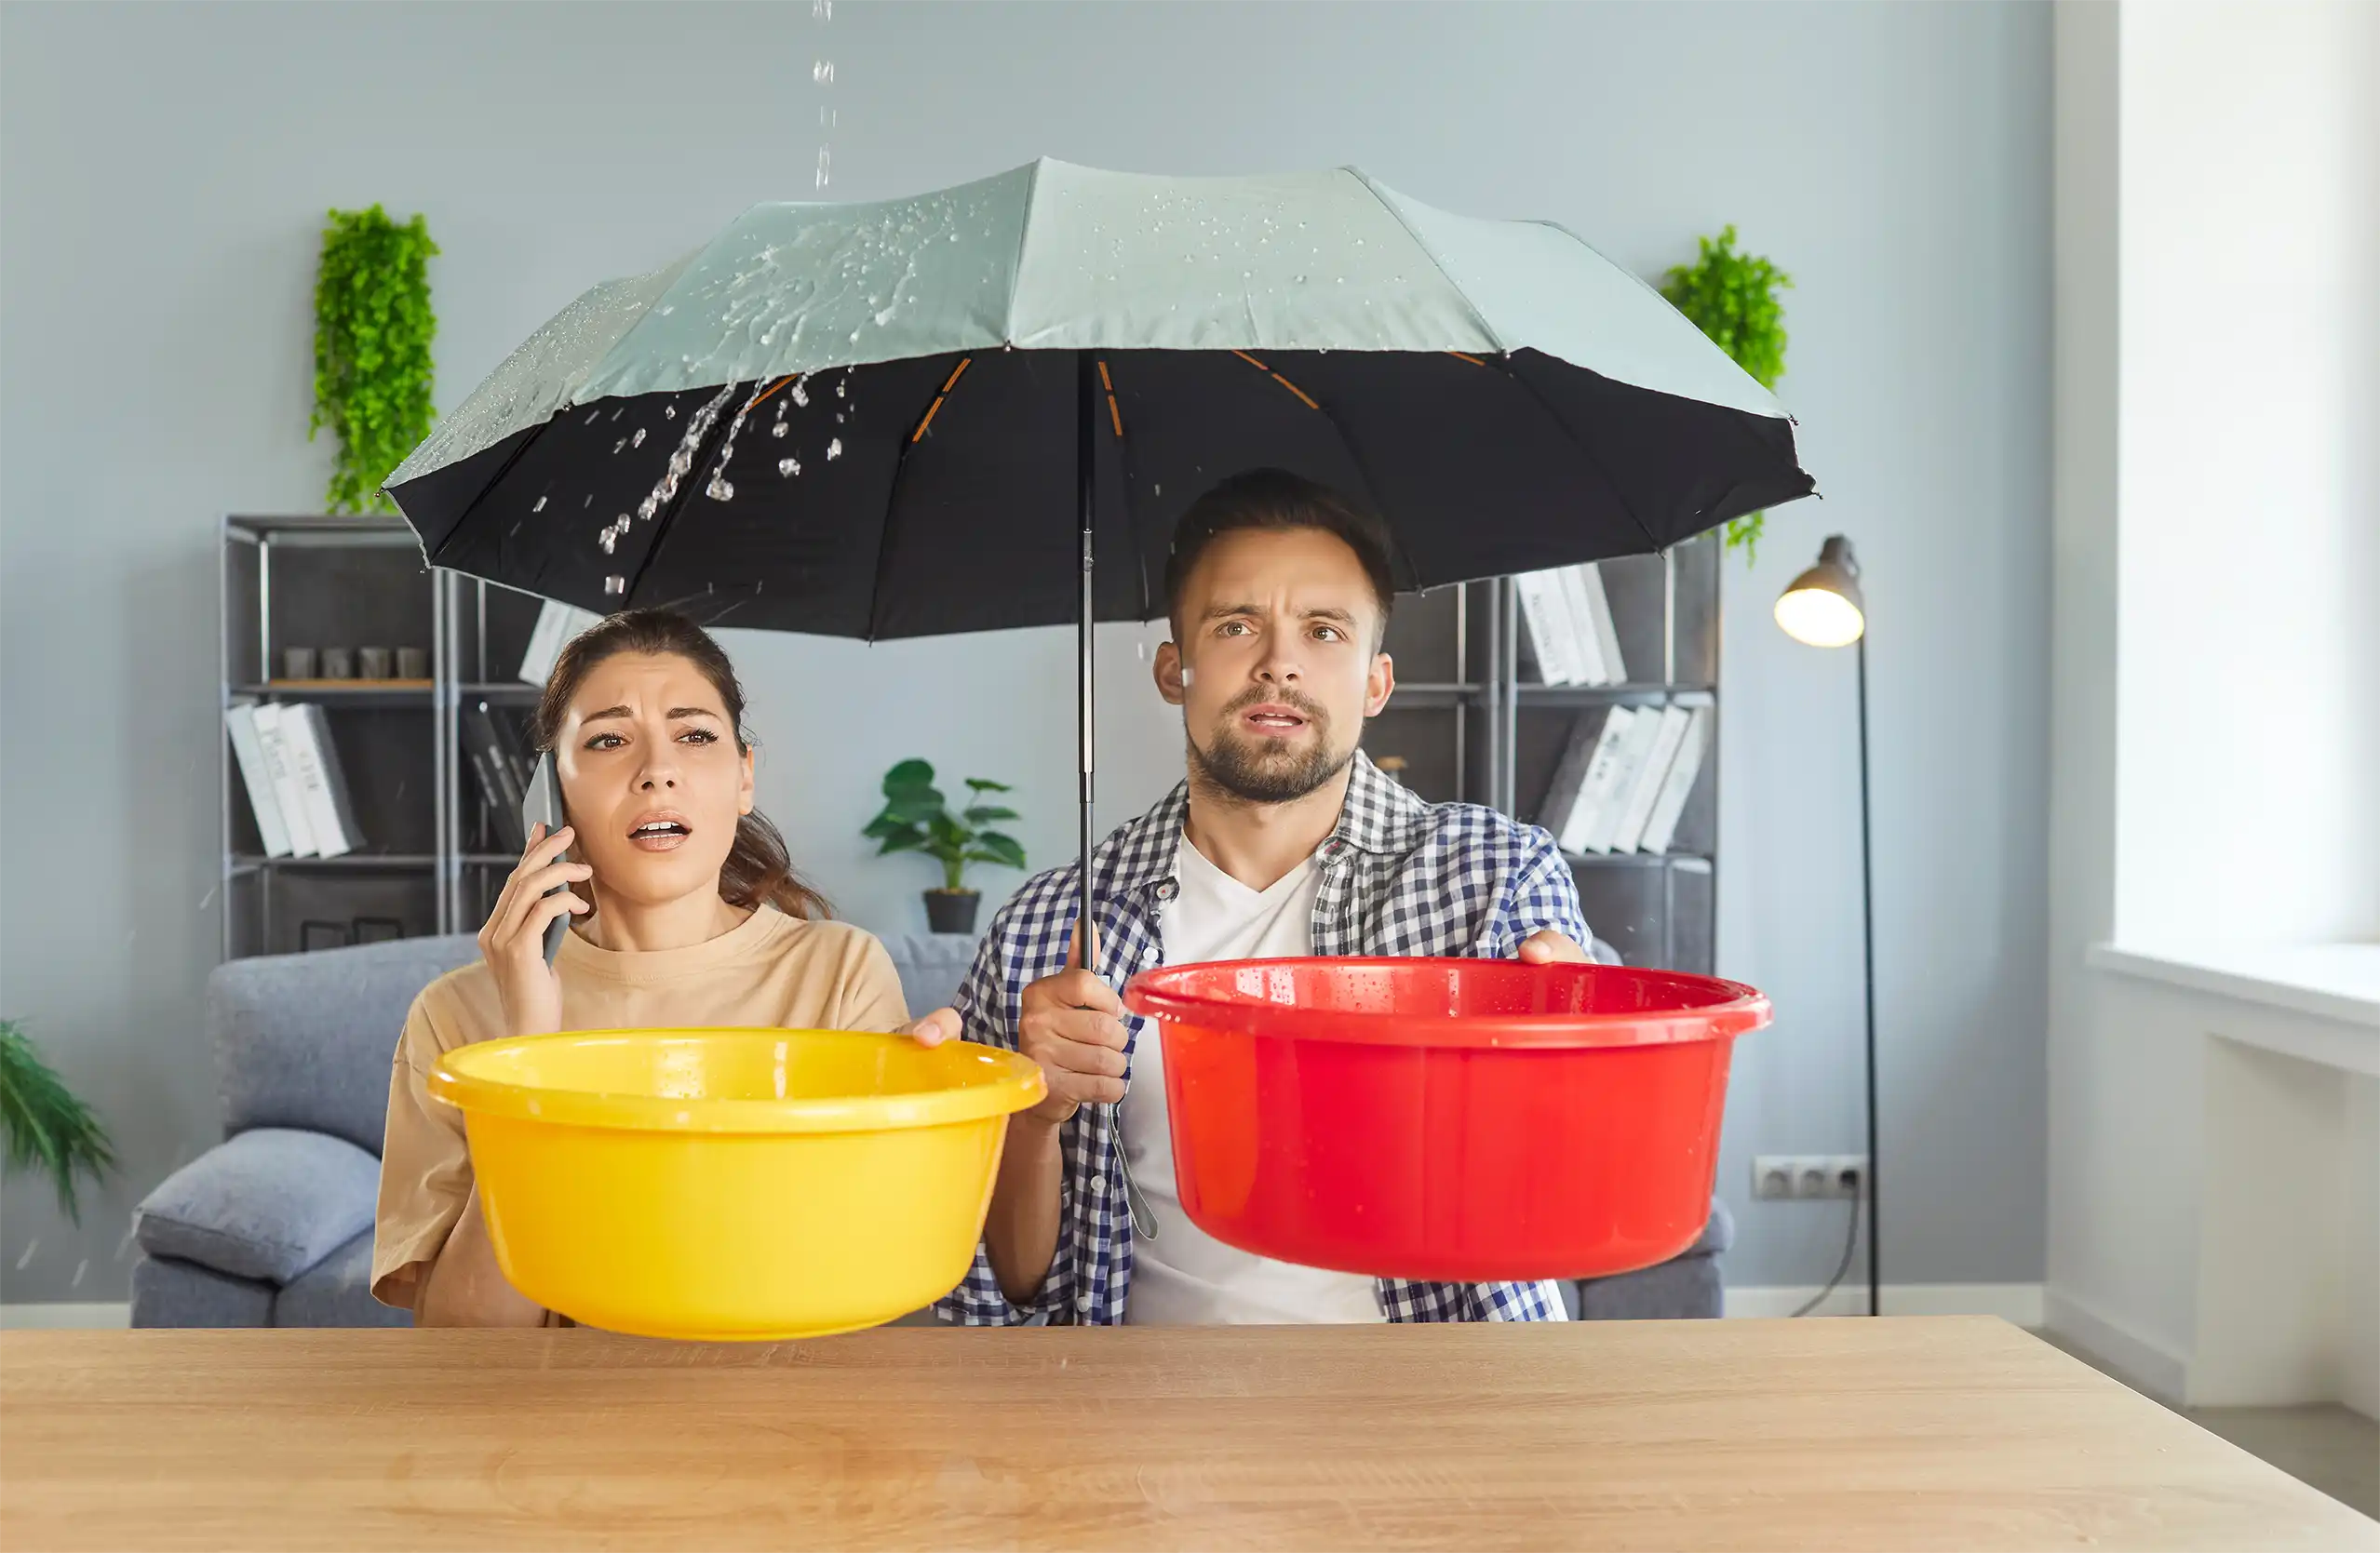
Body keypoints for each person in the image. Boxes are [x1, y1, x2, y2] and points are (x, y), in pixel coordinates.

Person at [914, 469, 1592, 1327]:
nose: (1279, 661)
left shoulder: (1494, 878)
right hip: (1138, 1423)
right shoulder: (1045, 927)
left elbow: (1566, 1186)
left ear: (1376, 683)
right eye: (1236, 625)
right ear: (1174, 669)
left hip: (1435, 1417)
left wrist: (1582, 1053)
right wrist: (1036, 1116)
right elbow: (1014, 1287)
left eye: (1323, 630)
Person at [371, 609, 912, 1327]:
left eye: (694, 735)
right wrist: (525, 1057)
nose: (657, 770)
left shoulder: (841, 972)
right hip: (559, 1427)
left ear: (744, 778)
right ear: (551, 791)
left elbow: (870, 1271)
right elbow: (468, 1343)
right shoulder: (457, 1015)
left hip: (784, 1415)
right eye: (608, 739)